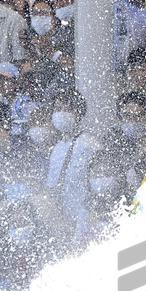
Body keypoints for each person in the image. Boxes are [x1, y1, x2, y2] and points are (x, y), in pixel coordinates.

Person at [43, 89, 95, 223]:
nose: (61, 114)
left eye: (67, 109)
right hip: (60, 215)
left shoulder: (89, 143)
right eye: (58, 109)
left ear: (79, 113)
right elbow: (51, 184)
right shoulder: (56, 148)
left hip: (82, 214)